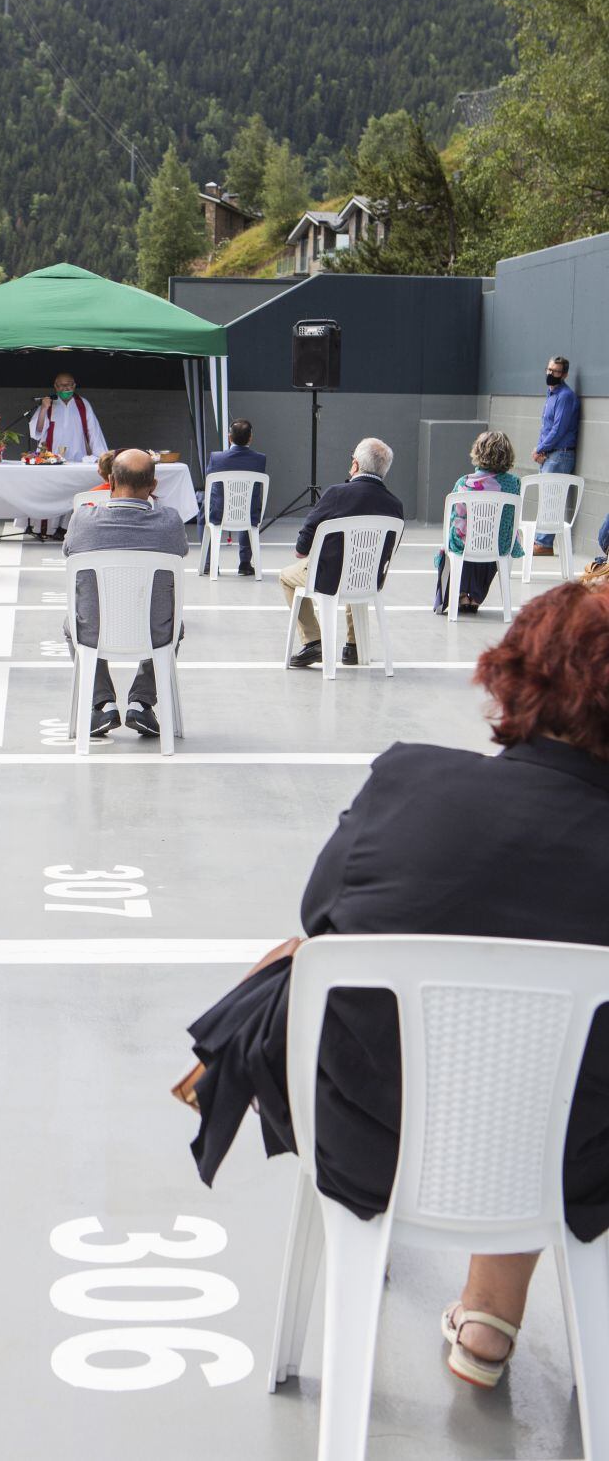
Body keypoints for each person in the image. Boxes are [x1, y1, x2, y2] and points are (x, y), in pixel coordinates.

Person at [177, 581, 609, 1390]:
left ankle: (449, 1295)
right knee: (544, 1068)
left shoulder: (411, 782)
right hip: (573, 1165)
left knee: (301, 957)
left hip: (374, 1144)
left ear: (517, 673)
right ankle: (487, 1319)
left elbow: (322, 915)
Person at [62, 447, 188, 739]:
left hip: (94, 632)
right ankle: (141, 702)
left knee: (73, 625)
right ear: (153, 486)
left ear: (111, 482)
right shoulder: (170, 522)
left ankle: (103, 702)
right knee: (174, 628)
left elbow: (68, 551)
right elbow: (180, 552)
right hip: (153, 634)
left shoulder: (83, 520)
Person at [280, 437, 404, 669]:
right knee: (356, 569)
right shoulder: (395, 505)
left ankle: (313, 641)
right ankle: (354, 646)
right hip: (368, 580)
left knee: (287, 576)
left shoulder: (336, 494)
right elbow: (391, 549)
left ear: (355, 464)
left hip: (329, 580)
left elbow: (302, 548)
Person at [433, 430, 524, 615]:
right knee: (490, 540)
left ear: (478, 452)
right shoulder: (514, 484)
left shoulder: (464, 483)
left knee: (462, 539)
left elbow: (455, 520)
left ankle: (461, 594)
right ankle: (474, 596)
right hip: (498, 545)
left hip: (468, 544)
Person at [202, 419, 267, 577]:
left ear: (229, 438)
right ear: (250, 438)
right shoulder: (260, 459)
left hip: (219, 513)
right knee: (247, 505)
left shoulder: (216, 458)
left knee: (202, 512)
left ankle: (210, 564)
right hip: (248, 515)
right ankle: (245, 563)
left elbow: (209, 480)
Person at [532, 355, 579, 556]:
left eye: (556, 372)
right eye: (549, 370)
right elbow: (547, 427)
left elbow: (559, 429)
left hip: (560, 455)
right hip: (550, 453)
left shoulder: (565, 396)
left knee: (551, 499)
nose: (551, 374)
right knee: (546, 498)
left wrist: (539, 448)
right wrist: (542, 449)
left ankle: (544, 544)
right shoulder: (550, 394)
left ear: (565, 374)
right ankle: (541, 541)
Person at [29, 374, 108, 464]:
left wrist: (102, 456)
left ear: (74, 386)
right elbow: (38, 431)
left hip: (78, 458)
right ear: (56, 386)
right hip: (50, 458)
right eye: (61, 385)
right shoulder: (48, 403)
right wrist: (43, 409)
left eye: (68, 385)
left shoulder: (83, 404)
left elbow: (94, 432)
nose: (65, 388)